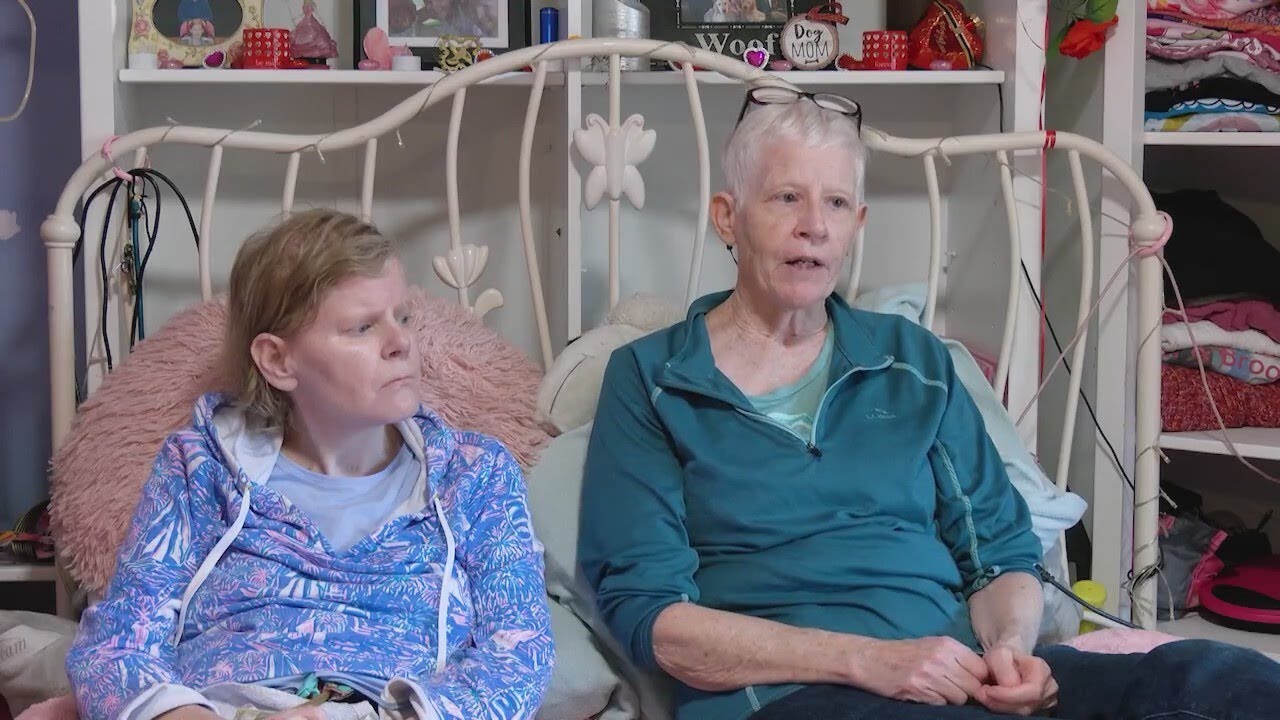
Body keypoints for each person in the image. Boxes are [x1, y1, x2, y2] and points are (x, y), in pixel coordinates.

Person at [578, 87, 1280, 720]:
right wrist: (867, 660)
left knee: (1219, 679)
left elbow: (998, 555)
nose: (814, 225)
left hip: (959, 672)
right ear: (728, 218)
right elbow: (653, 620)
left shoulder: (913, 362)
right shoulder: (651, 379)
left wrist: (1011, 653)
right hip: (794, 693)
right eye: (786, 197)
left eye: (836, 203)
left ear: (857, 223)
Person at [66, 209, 554, 720]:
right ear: (279, 361)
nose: (401, 343)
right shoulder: (200, 467)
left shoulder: (474, 475)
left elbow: (520, 652)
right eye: (363, 327)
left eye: (403, 317)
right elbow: (117, 643)